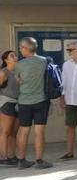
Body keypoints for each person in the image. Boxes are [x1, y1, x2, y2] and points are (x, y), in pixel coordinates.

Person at [13, 37, 53, 170]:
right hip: (41, 101)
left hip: (24, 101)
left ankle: (21, 161)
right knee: (39, 131)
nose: (20, 50)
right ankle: (39, 161)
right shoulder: (44, 61)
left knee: (23, 131)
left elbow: (18, 80)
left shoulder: (19, 64)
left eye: (20, 48)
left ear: (25, 48)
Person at [0, 50, 19, 166]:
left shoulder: (18, 72)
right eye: (12, 56)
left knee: (13, 132)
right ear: (6, 60)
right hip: (6, 103)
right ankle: (3, 157)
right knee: (5, 131)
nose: (15, 57)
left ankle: (12, 156)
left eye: (15, 55)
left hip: (18, 103)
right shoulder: (3, 73)